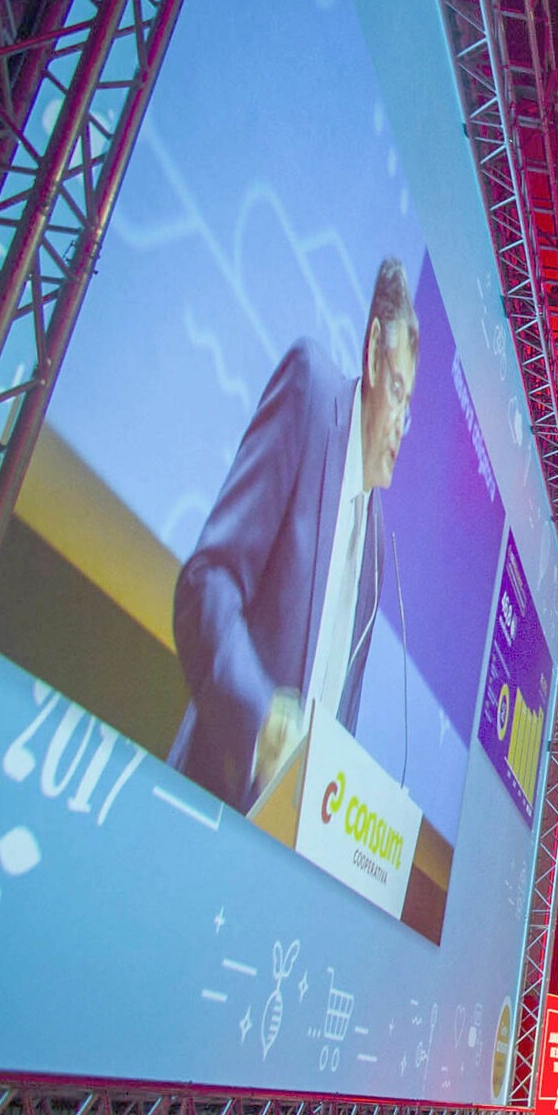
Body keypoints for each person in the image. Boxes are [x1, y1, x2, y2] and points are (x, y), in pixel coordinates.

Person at [170, 259, 420, 810]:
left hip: (289, 850)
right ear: (374, 353)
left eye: (411, 406)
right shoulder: (312, 395)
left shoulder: (378, 548)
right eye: (398, 392)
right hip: (213, 798)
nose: (402, 423)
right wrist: (260, 719)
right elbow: (207, 584)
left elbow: (340, 719)